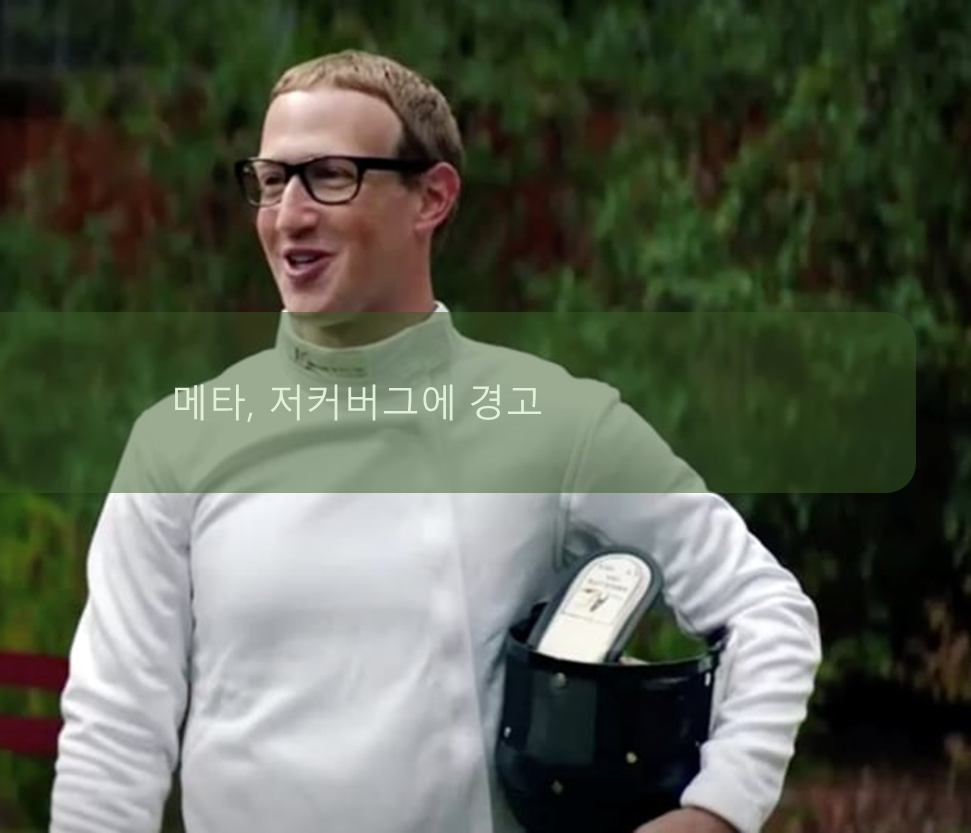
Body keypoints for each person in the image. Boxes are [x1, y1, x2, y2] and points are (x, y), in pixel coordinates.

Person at [49, 49, 822, 833]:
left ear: (432, 197)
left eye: (330, 176)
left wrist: (718, 809)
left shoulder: (555, 422)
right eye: (273, 180)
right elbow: (115, 731)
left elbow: (766, 610)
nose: (289, 215)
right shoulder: (179, 440)